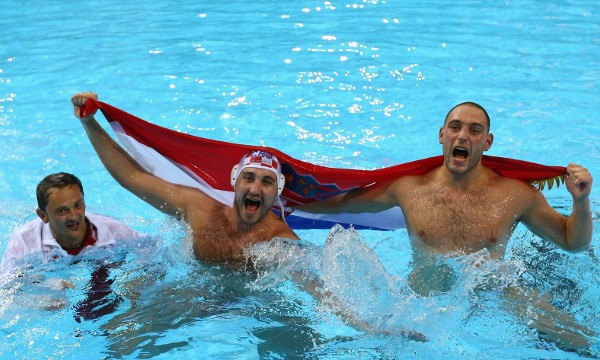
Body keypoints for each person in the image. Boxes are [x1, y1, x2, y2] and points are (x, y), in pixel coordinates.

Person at [298, 101, 594, 350]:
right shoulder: (408, 188)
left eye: (474, 131)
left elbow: (574, 243)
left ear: (487, 142)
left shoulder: (516, 195)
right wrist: (281, 201)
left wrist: (581, 201)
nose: (462, 136)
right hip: (420, 306)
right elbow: (340, 204)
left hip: (493, 299)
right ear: (442, 134)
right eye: (455, 127)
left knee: (584, 343)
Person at [71, 92, 298, 262]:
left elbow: (310, 281)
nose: (255, 189)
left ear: (278, 189)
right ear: (234, 181)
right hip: (192, 296)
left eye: (267, 182)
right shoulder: (200, 208)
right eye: (249, 178)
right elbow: (133, 176)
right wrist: (89, 123)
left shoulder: (280, 239)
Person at [1, 172, 142, 271]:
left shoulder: (114, 232)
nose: (74, 216)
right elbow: (5, 288)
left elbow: (155, 251)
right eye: (62, 211)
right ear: (43, 215)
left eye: (78, 205)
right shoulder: (24, 241)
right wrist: (39, 294)